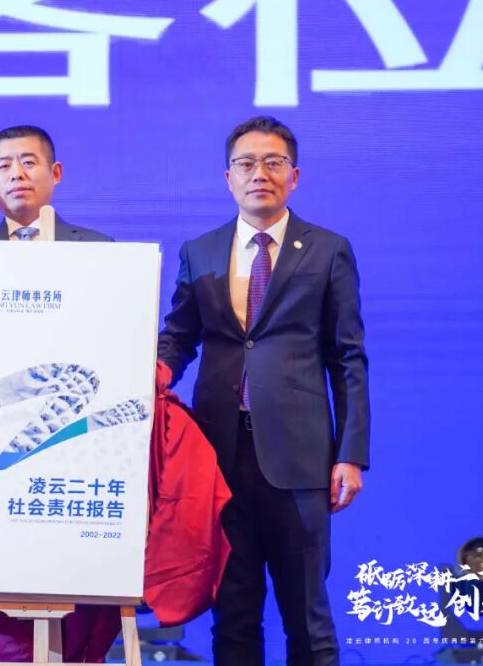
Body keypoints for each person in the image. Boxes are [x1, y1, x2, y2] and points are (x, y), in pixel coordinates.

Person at [156, 116, 370, 666]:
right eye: (246, 163)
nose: (260, 174)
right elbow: (179, 337)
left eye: (273, 162)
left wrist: (350, 454)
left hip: (300, 461)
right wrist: (151, 375)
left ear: (294, 176)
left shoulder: (327, 250)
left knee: (307, 617)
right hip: (219, 459)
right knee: (233, 615)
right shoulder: (200, 251)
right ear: (228, 177)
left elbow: (348, 357)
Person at [0, 125, 112, 242]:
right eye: (4, 166)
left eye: (28, 163)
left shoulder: (98, 246)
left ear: (55, 173)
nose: (16, 174)